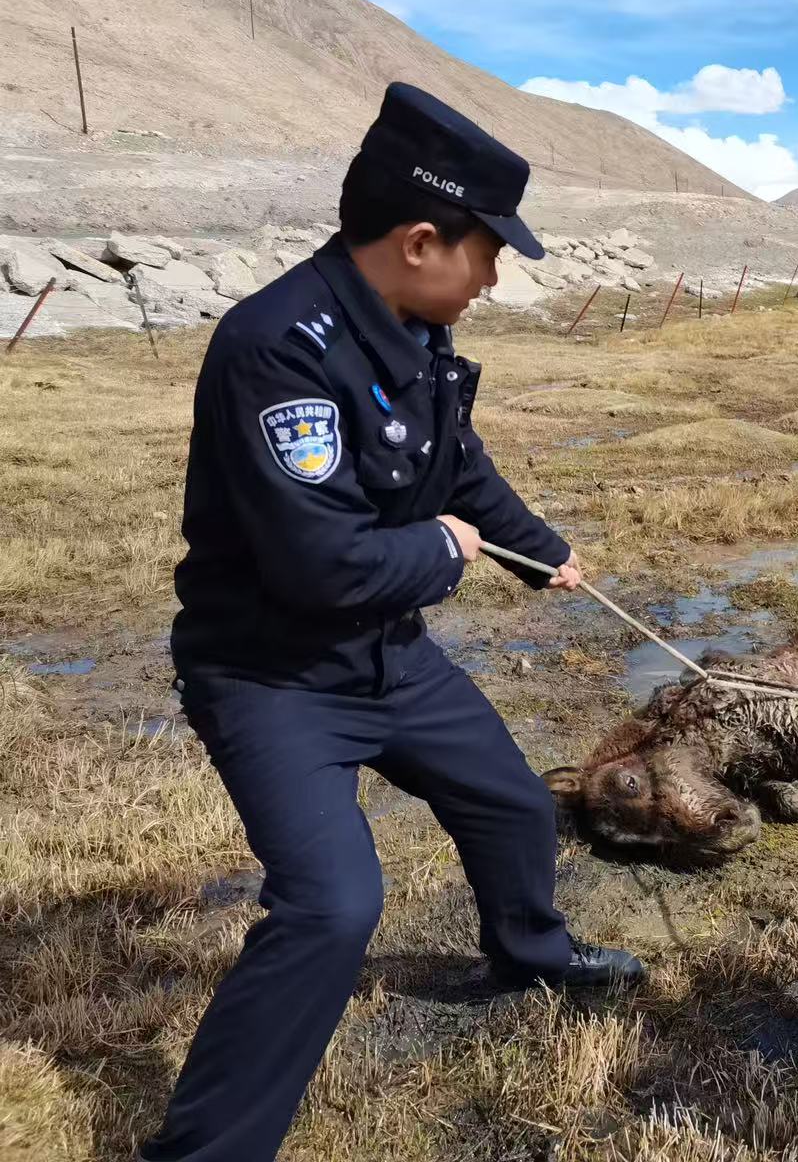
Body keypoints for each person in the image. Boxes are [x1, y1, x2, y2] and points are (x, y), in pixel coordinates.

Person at [142, 84, 644, 1162]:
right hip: (271, 676)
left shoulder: (416, 335)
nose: (495, 276)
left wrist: (541, 549)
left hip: (387, 657)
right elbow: (320, 562)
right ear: (422, 241)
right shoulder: (277, 346)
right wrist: (443, 551)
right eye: (488, 253)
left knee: (511, 800)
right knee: (330, 906)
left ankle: (530, 955)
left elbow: (459, 467)